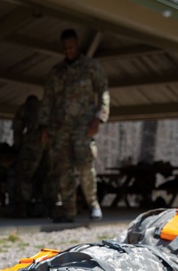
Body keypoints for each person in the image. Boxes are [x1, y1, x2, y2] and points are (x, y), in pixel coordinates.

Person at [38, 28, 109, 223]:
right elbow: (47, 101)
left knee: (86, 167)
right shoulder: (56, 72)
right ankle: (69, 211)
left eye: (71, 47)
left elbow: (103, 91)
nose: (68, 51)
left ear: (77, 45)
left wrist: (99, 118)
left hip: (84, 127)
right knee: (64, 170)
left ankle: (93, 204)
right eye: (65, 48)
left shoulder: (90, 67)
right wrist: (43, 126)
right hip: (61, 129)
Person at [12, 95, 49, 218]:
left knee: (24, 174)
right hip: (50, 143)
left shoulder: (24, 109)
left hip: (33, 143)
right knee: (48, 174)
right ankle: (50, 205)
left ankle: (22, 207)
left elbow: (17, 128)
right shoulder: (46, 108)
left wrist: (18, 145)